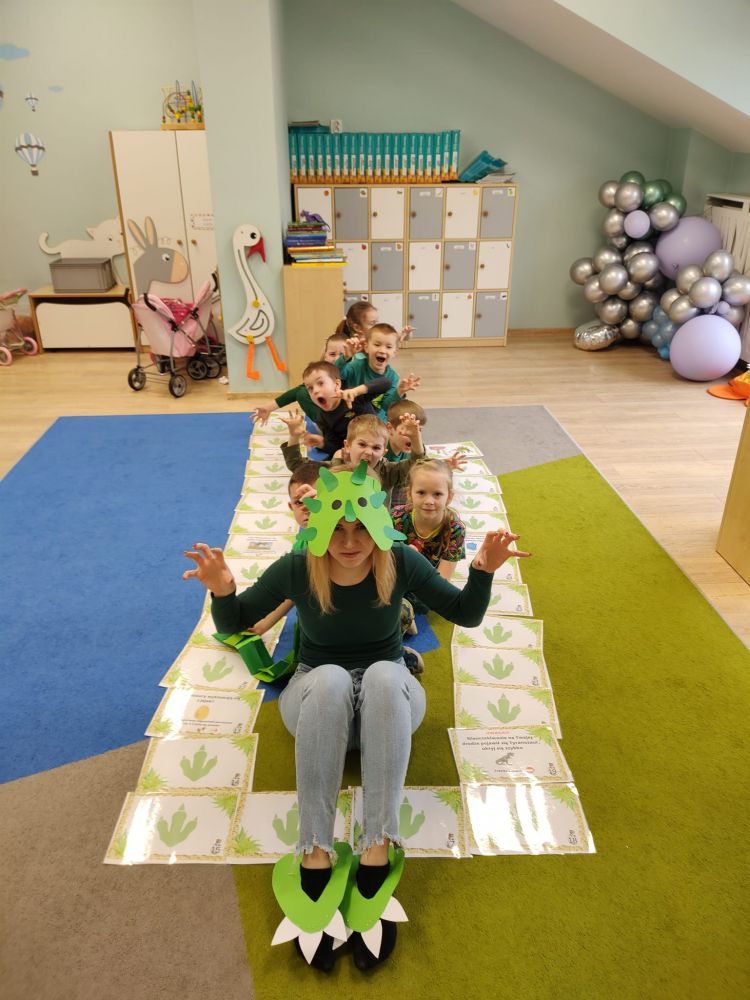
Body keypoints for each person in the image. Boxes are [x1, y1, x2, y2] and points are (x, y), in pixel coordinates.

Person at [183, 464, 530, 974]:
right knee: (330, 678)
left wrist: (482, 569)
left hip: (388, 708)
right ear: (318, 527)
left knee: (387, 673)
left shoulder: (400, 559)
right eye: (338, 530)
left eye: (361, 529)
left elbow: (465, 613)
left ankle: (377, 845)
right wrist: (222, 589)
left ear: (380, 526)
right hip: (317, 703)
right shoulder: (299, 566)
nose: (349, 543)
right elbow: (237, 622)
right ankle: (314, 849)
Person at [295, 359, 392, 458]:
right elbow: (335, 447)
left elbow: (387, 383)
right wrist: (321, 442)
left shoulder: (352, 396)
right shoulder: (322, 418)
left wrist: (356, 391)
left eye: (320, 383)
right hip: (355, 453)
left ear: (337, 384)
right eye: (310, 388)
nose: (315, 391)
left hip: (375, 445)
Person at [334, 323, 420, 422]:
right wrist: (345, 357)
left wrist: (399, 391)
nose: (382, 350)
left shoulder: (392, 377)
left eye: (388, 347)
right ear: (366, 347)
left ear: (394, 352)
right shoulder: (357, 365)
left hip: (376, 420)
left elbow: (386, 406)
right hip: (352, 415)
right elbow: (337, 374)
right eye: (377, 345)